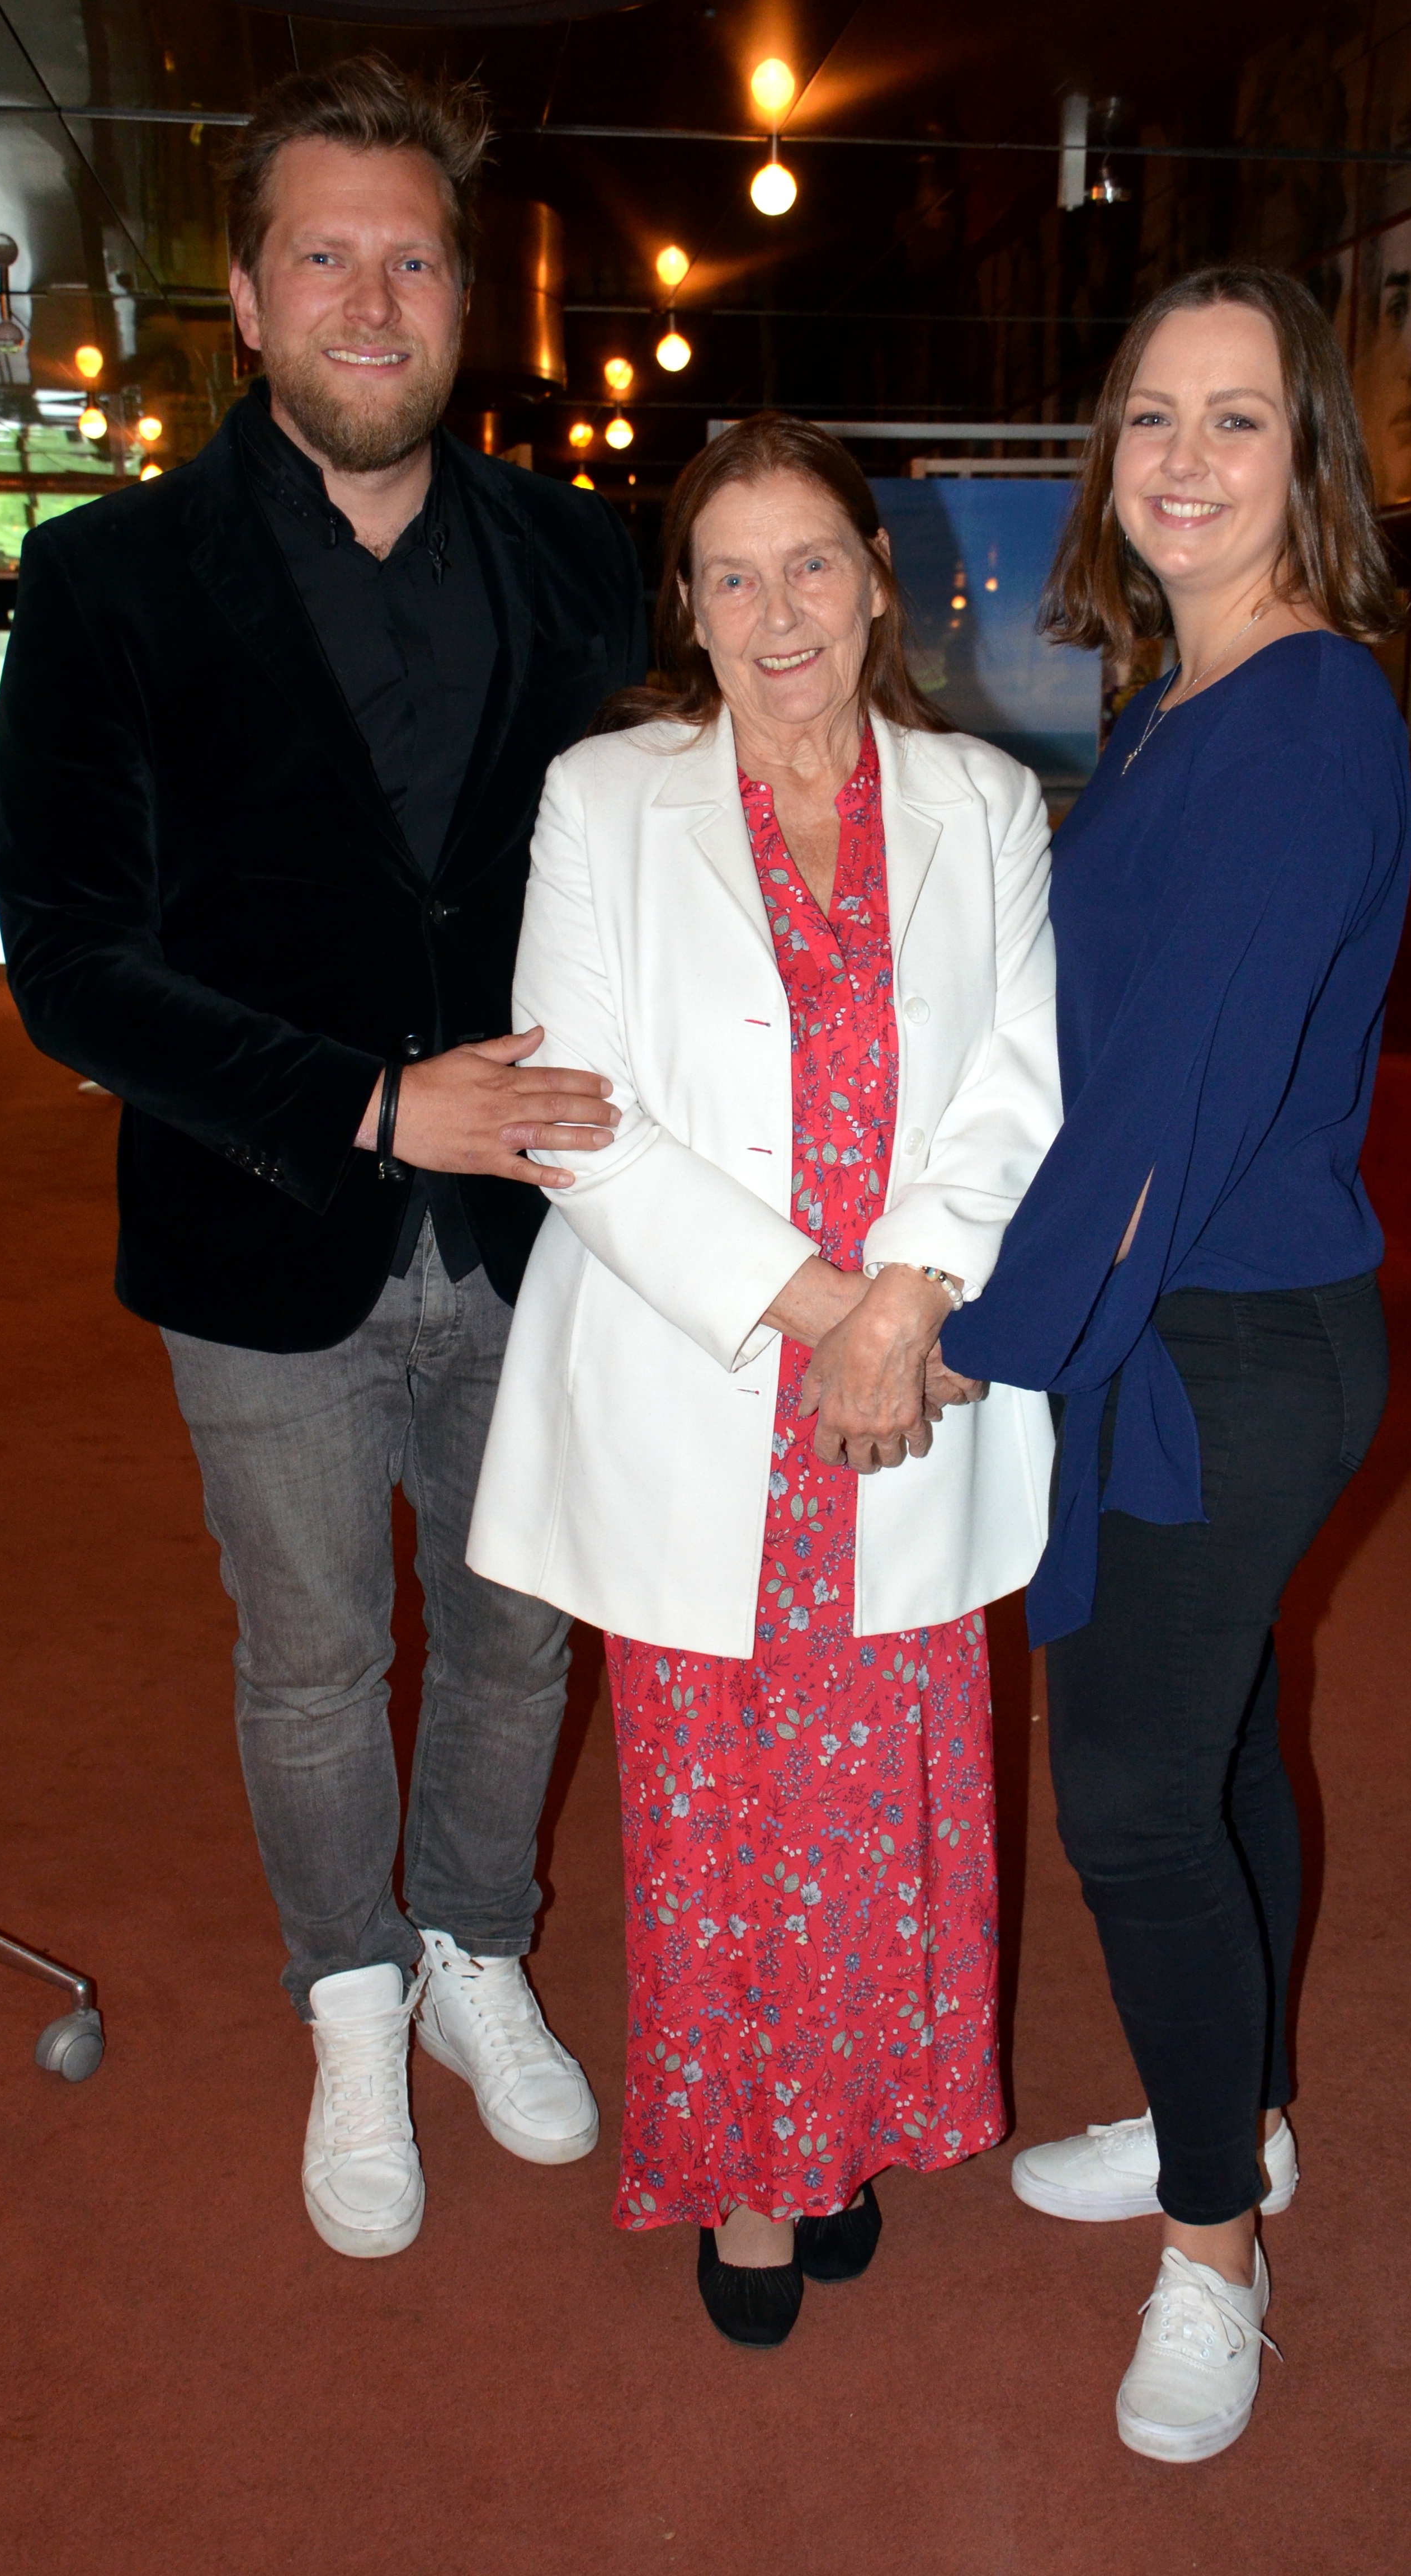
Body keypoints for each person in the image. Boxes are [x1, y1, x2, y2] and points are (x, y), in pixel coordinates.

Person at [0, 56, 646, 2261]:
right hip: (260, 1223)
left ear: (468, 296)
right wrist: (371, 1103)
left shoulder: (579, 560)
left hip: (540, 1230)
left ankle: (473, 1946)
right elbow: (70, 964)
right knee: (308, 1657)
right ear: (251, 300)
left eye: (414, 259)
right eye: (326, 258)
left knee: (519, 1633)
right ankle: (350, 1994)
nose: (374, 300)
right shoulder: (104, 579)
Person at [468, 414, 1060, 2345]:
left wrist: (908, 1304)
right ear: (690, 607)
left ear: (878, 582)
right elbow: (575, 1118)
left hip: (912, 1385)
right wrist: (830, 1311)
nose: (777, 610)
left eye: (811, 563)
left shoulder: (983, 801)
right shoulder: (604, 797)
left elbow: (1017, 1091)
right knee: (713, 1813)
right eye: (732, 575)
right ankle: (740, 2169)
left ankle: (847, 2132)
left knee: (883, 1801)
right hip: (706, 1374)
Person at [946, 266, 1411, 2459]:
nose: (1187, 459)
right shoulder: (1169, 699)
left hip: (1222, 1340)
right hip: (1184, 1317)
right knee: (1212, 1749)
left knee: (1131, 1798)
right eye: (1152, 415)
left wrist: (976, 1341)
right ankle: (1235, 2121)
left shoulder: (1303, 716)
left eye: (1238, 418)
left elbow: (1164, 1116)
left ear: (1307, 456)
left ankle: (1215, 2254)